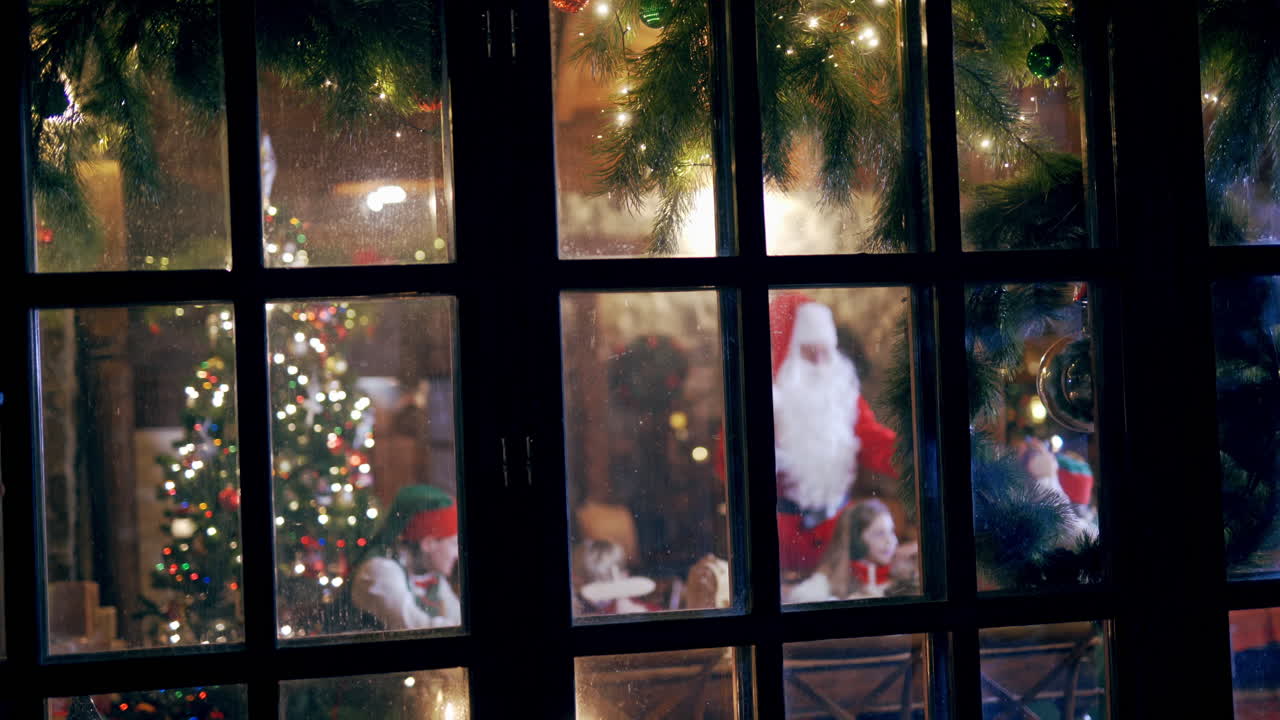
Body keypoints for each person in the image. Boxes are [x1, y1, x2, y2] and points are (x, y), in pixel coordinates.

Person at [766, 293, 900, 577]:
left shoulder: (843, 395)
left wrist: (916, 454)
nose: (819, 359)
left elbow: (874, 440)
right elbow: (728, 470)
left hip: (840, 536)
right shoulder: (766, 404)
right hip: (779, 542)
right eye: (808, 350)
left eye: (824, 349)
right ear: (788, 352)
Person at [351, 485, 461, 630]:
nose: (458, 553)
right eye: (454, 543)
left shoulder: (431, 574)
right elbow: (416, 628)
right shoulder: (380, 570)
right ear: (428, 544)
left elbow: (459, 618)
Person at [784, 498, 917, 602]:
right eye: (879, 534)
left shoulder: (903, 575)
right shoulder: (829, 580)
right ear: (856, 542)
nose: (890, 541)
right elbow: (801, 597)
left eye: (891, 531)